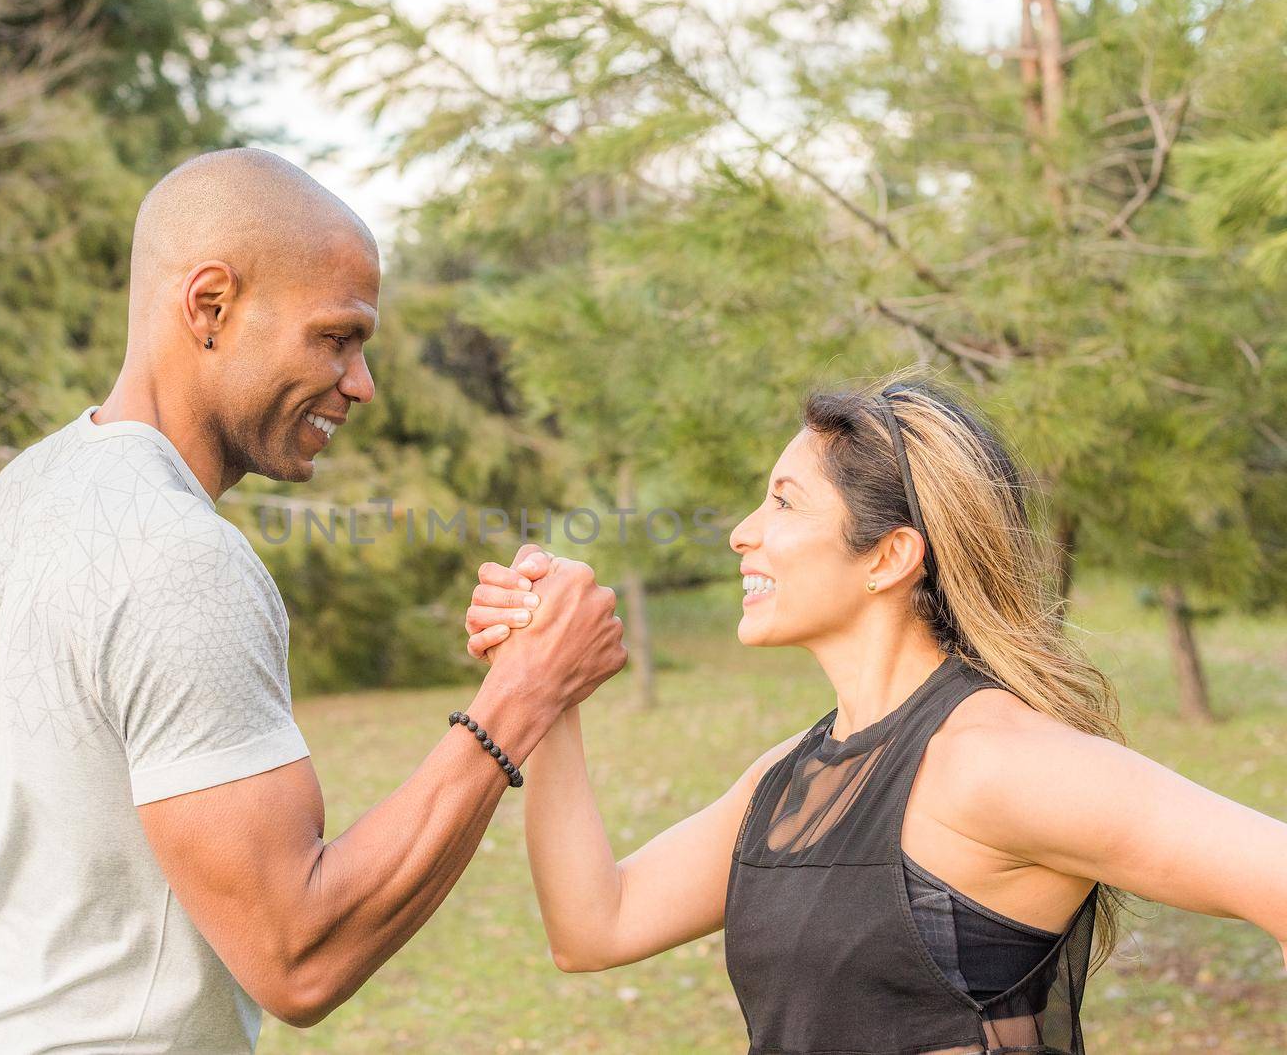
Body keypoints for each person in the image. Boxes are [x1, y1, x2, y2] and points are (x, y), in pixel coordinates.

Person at [0, 149, 627, 1055]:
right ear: (211, 307)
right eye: (336, 337)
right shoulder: (183, 562)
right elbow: (298, 956)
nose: (361, 382)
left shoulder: (17, 500)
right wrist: (526, 693)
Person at [467, 378, 1287, 1055]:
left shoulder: (992, 761)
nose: (741, 534)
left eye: (784, 504)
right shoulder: (794, 775)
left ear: (890, 557)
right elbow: (593, 927)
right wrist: (548, 691)